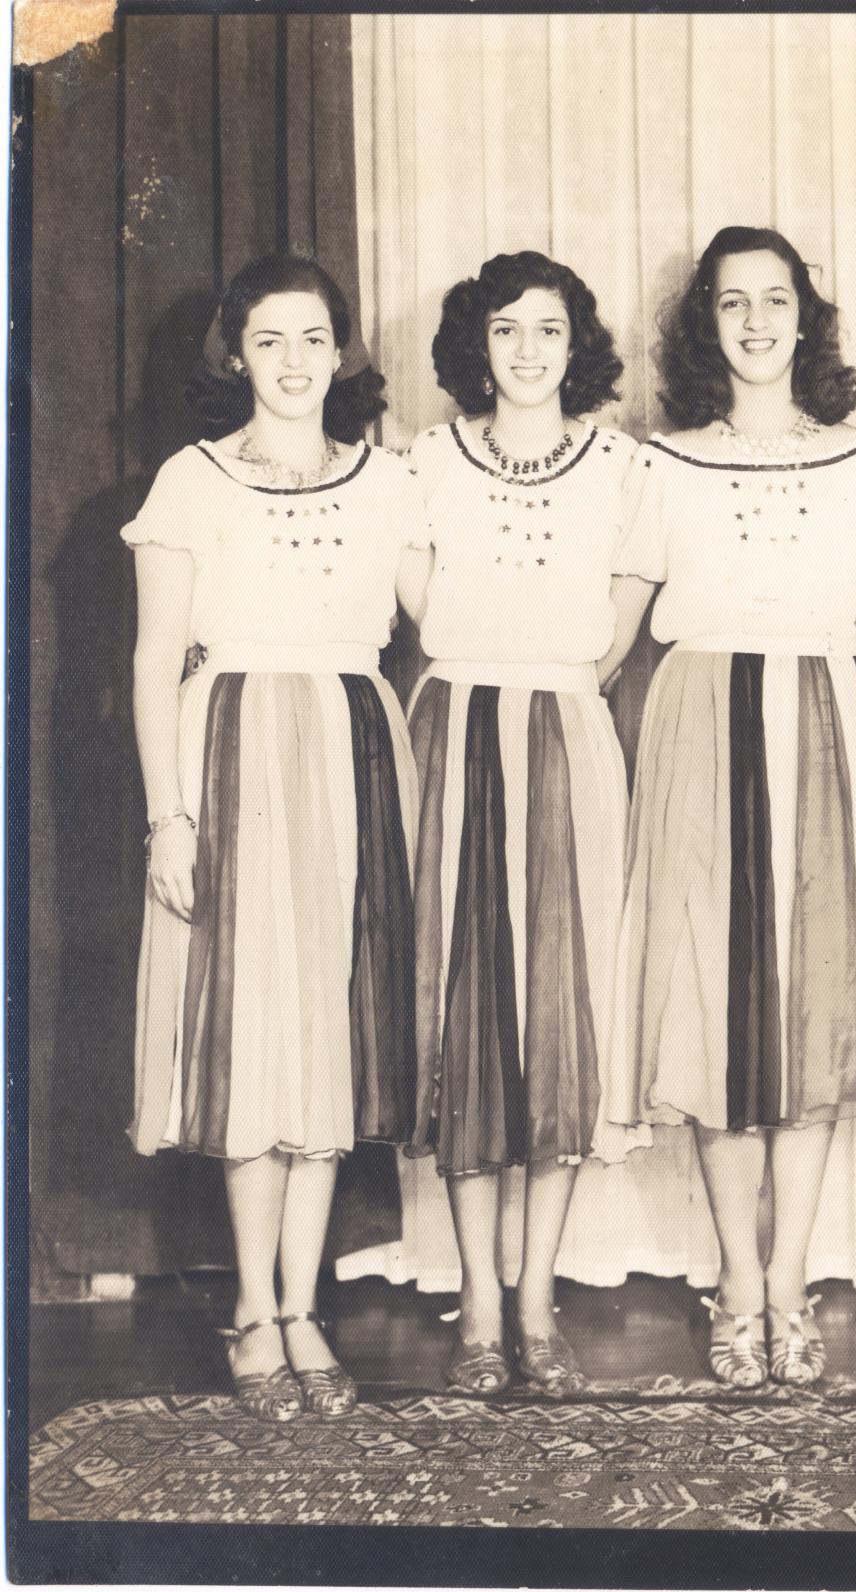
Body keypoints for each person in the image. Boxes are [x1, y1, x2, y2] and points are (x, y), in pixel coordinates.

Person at [601, 227, 856, 1389]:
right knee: (714, 1005)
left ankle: (790, 1281)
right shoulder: (662, 463)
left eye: (774, 298)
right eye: (731, 302)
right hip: (700, 719)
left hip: (827, 720)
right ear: (706, 325)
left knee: (814, 999)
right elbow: (615, 624)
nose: (754, 321)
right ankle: (737, 1279)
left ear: (804, 317)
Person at [126, 254, 421, 1420]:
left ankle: (305, 1309)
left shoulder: (391, 481)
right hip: (234, 757)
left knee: (329, 1036)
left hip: (354, 755)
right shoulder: (191, 481)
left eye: (312, 338)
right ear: (236, 355)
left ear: (340, 352)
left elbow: (457, 612)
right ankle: (253, 1308)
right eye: (268, 339)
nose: (293, 361)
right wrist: (170, 816)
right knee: (253, 1039)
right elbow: (154, 661)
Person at [394, 251, 635, 1396]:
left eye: (548, 328)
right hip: (453, 729)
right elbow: (417, 599)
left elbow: (621, 619)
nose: (528, 350)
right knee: (467, 1008)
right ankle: (479, 1305)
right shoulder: (427, 460)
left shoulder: (621, 466)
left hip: (567, 732)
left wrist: (552, 681)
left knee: (557, 1010)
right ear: (475, 346)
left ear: (574, 345)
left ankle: (536, 1296)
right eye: (505, 329)